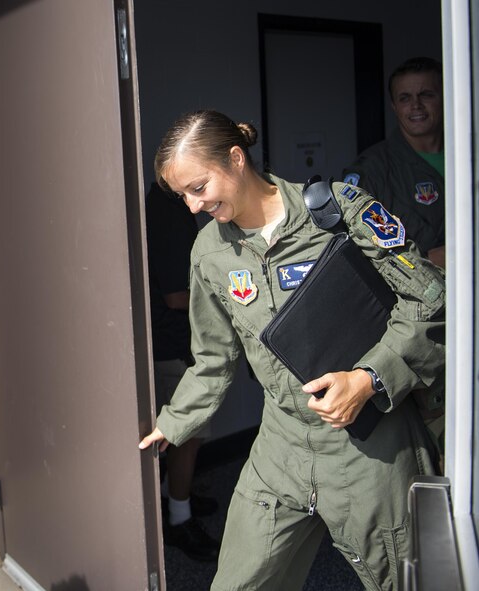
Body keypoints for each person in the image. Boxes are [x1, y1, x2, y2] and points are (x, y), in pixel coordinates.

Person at [138, 110, 445, 590]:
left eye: (198, 188)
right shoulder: (210, 254)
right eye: (182, 196)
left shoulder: (340, 212)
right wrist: (172, 424)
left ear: (236, 159)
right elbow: (214, 359)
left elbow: (433, 303)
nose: (193, 207)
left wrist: (368, 378)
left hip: (372, 449)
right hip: (280, 447)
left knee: (409, 581)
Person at [145, 182, 220, 562]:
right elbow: (177, 297)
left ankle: (173, 498)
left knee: (178, 436)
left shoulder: (160, 204)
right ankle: (178, 518)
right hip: (174, 341)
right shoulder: (169, 210)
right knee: (187, 434)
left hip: (165, 339)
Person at [342, 57, 445, 268]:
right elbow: (356, 253)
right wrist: (425, 261)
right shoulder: (371, 170)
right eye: (405, 98)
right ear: (394, 106)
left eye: (426, 95)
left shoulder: (468, 157)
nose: (416, 105)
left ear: (444, 97)